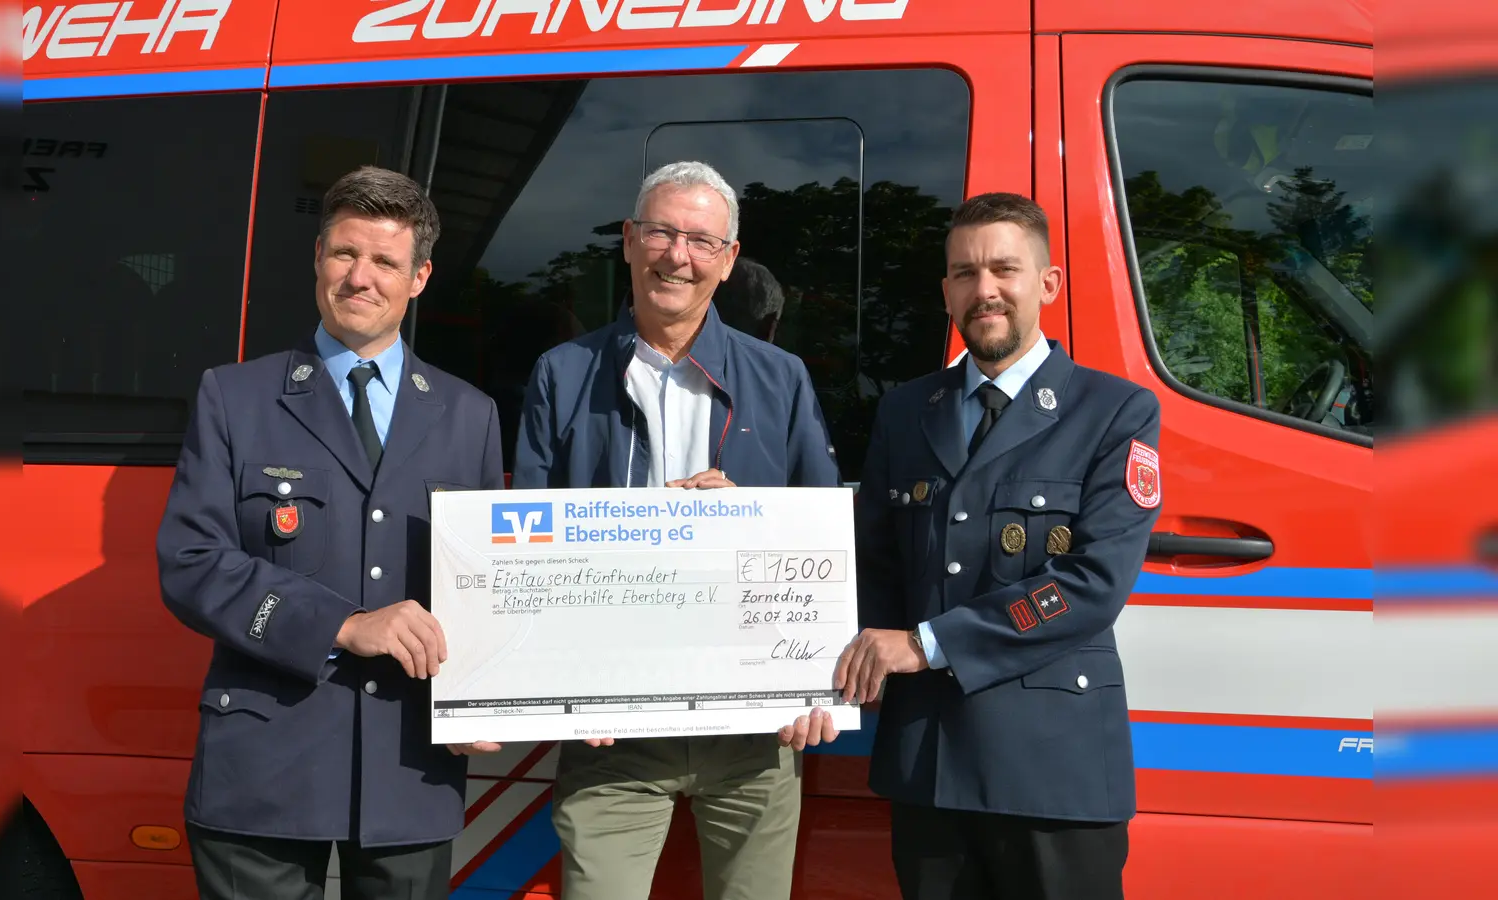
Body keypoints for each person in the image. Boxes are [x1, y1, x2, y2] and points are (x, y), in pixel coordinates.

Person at [156, 165, 505, 900]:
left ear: (419, 278)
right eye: (345, 254)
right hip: (265, 765)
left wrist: (486, 692)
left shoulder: (470, 414)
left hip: (411, 767)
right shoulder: (236, 395)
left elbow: (486, 584)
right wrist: (343, 623)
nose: (361, 277)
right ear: (319, 259)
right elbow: (191, 563)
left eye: (385, 261)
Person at [510, 160, 842, 900]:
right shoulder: (561, 374)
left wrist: (816, 680)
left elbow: (819, 538)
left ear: (727, 261)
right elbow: (524, 550)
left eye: (700, 240)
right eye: (660, 232)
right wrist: (557, 687)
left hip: (754, 732)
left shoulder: (780, 378)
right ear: (628, 242)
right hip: (611, 732)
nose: (677, 256)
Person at [837, 192, 1162, 900]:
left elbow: (1092, 584)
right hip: (930, 759)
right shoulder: (904, 412)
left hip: (1051, 766)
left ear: (1047, 283)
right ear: (946, 290)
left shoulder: (1114, 411)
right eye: (964, 273)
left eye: (1004, 270)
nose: (984, 290)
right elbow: (873, 565)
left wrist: (923, 645)